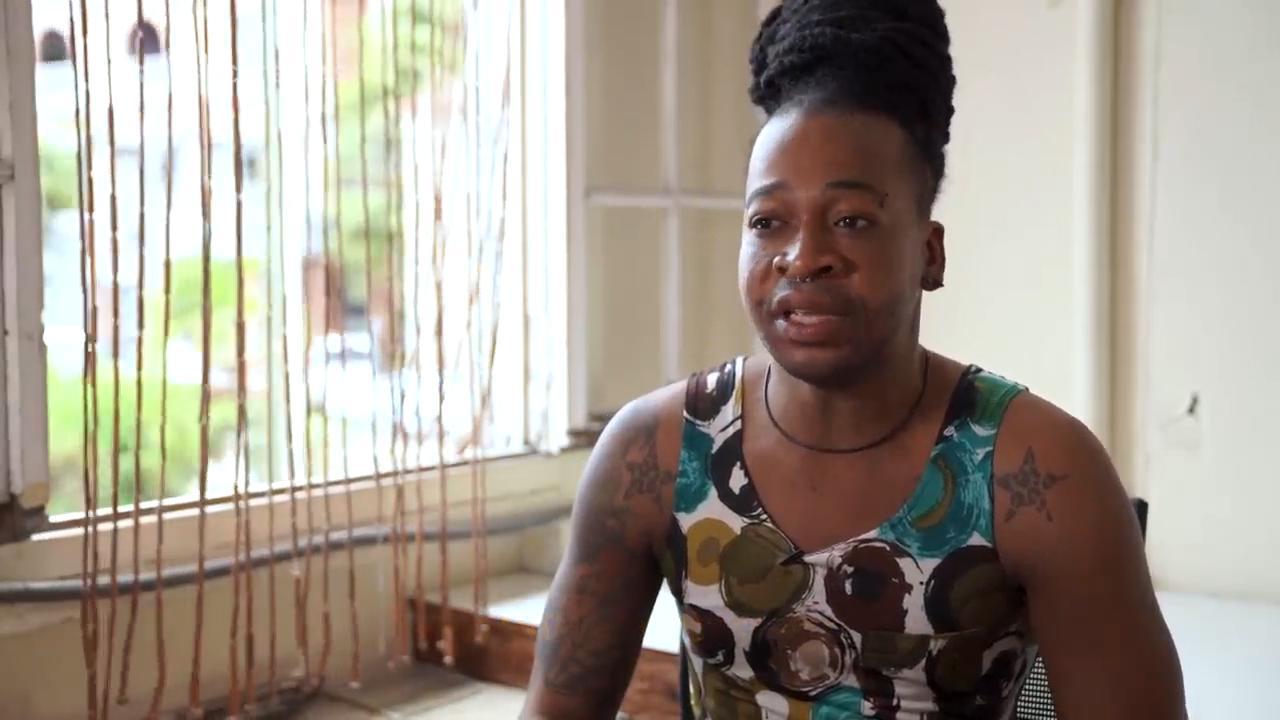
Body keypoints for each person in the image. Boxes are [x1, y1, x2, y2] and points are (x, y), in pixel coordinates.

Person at [523, 0, 1185, 717]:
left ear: (929, 253)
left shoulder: (1042, 476)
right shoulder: (652, 454)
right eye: (768, 221)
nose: (803, 258)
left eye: (851, 221)